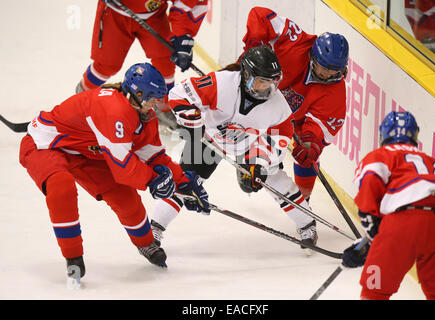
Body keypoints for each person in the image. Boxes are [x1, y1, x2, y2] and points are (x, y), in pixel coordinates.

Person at [19, 62, 210, 282]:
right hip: (46, 145)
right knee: (61, 188)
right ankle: (73, 258)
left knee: (125, 197)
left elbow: (154, 156)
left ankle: (145, 243)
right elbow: (123, 168)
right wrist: (154, 180)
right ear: (137, 93)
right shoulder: (114, 109)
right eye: (152, 98)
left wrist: (183, 182)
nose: (155, 105)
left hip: (89, 152)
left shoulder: (142, 113)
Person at [148, 44, 319, 250]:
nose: (266, 87)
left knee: (275, 180)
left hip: (250, 145)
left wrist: (260, 164)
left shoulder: (279, 107)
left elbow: (280, 138)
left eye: (272, 82)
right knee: (185, 182)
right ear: (246, 74)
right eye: (261, 81)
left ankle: (307, 224)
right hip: (210, 138)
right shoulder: (221, 84)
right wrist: (193, 123)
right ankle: (154, 231)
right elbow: (179, 95)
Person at [241, 7, 349, 200]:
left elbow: (318, 127)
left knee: (309, 157)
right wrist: (254, 47)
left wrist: (309, 145)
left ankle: (303, 203)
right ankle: (249, 153)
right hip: (255, 94)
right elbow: (259, 15)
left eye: (335, 71)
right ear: (312, 57)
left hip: (285, 119)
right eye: (324, 68)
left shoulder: (336, 92)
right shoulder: (296, 44)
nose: (328, 75)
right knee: (249, 179)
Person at [342, 111, 435, 300]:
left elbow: (369, 191)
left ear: (383, 134)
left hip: (405, 221)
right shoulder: (430, 161)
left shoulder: (378, 155)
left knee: (374, 289)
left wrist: (371, 241)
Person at [75, 0, 209, 129]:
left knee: (165, 62)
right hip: (116, 13)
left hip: (154, 15)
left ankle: (165, 108)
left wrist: (182, 35)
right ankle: (83, 96)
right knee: (106, 65)